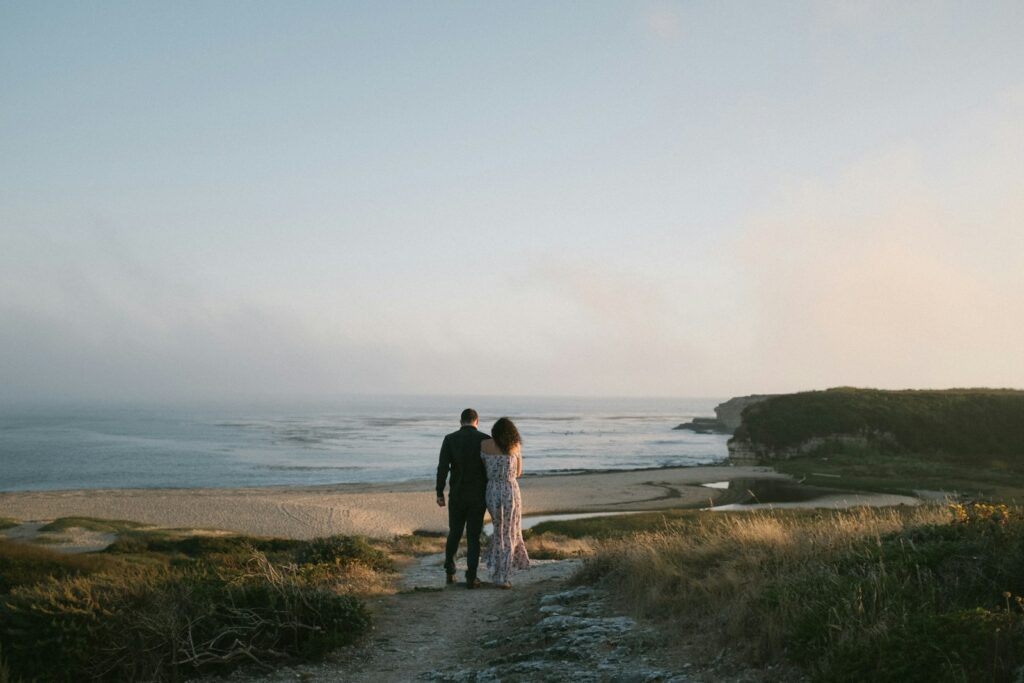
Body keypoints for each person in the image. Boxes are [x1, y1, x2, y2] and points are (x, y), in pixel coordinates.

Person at [436, 408, 490, 588]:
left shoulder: (450, 439)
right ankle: (471, 577)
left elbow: (442, 468)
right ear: (477, 421)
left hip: (457, 494)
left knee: (455, 533)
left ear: (461, 421)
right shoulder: (485, 439)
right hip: (478, 495)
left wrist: (439, 493)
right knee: (474, 536)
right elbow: (490, 469)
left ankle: (450, 572)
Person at [480, 417, 530, 588]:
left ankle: (496, 570)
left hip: (492, 491)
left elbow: (481, 468)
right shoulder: (515, 446)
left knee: (499, 529)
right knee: (510, 531)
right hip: (510, 490)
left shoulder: (484, 445)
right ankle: (503, 576)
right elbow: (519, 472)